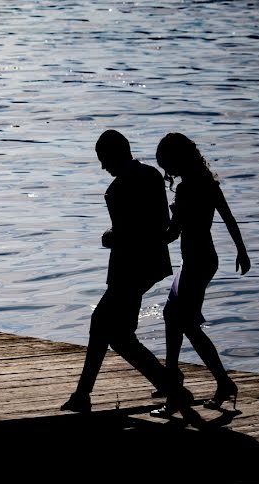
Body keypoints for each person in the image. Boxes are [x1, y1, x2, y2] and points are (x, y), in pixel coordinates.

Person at [61, 130, 193, 415]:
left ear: (114, 154)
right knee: (119, 335)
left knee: (103, 325)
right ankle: (171, 387)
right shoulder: (152, 176)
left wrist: (110, 237)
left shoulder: (119, 189)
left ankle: (84, 395)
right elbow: (158, 224)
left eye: (103, 159)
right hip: (148, 264)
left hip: (130, 269)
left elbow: (130, 231)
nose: (102, 166)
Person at [154, 132, 250, 411]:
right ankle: (176, 384)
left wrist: (146, 238)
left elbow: (174, 232)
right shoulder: (208, 184)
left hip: (196, 263)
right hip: (204, 260)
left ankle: (191, 386)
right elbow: (229, 219)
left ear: (177, 159)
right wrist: (241, 251)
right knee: (174, 317)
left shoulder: (186, 190)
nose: (166, 172)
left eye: (166, 165)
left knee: (183, 323)